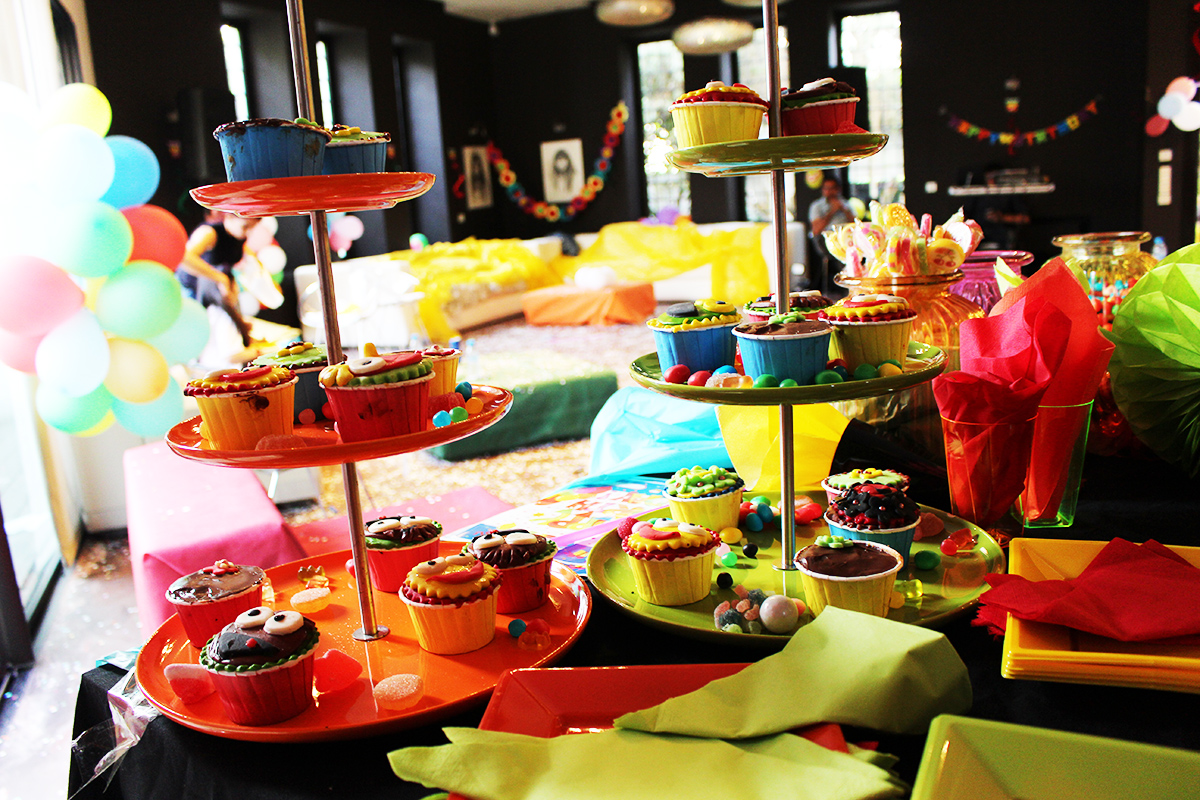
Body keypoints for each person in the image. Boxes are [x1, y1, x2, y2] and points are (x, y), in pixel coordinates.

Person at [179, 209, 257, 350]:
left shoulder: (238, 236)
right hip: (192, 290)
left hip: (215, 290)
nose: (248, 233)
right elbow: (184, 258)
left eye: (253, 228)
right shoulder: (209, 232)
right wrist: (220, 278)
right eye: (245, 227)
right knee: (201, 342)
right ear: (229, 217)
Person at [807, 176, 855, 292]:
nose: (830, 191)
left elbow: (856, 224)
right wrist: (832, 211)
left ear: (838, 189)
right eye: (826, 188)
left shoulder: (847, 204)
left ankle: (852, 285)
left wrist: (844, 210)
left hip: (846, 238)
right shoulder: (817, 206)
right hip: (825, 240)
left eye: (832, 188)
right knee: (843, 251)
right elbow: (816, 229)